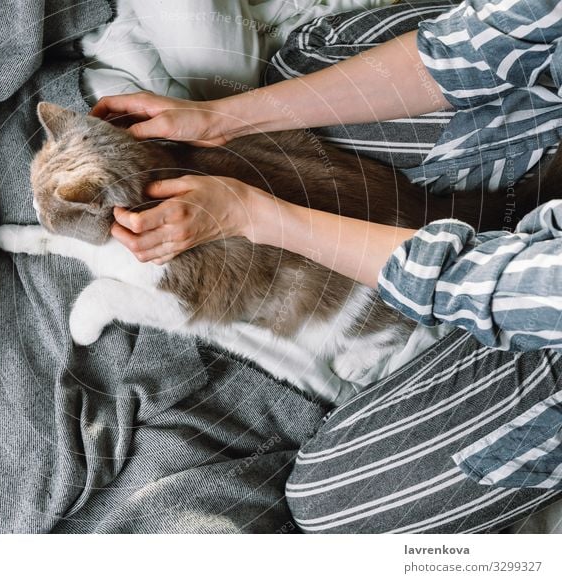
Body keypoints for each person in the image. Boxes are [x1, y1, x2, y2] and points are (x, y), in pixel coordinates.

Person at [91, 0, 562, 533]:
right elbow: (470, 46)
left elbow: (479, 282)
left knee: (331, 507)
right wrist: (221, 119)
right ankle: (525, 179)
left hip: (537, 298)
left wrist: (256, 215)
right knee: (304, 67)